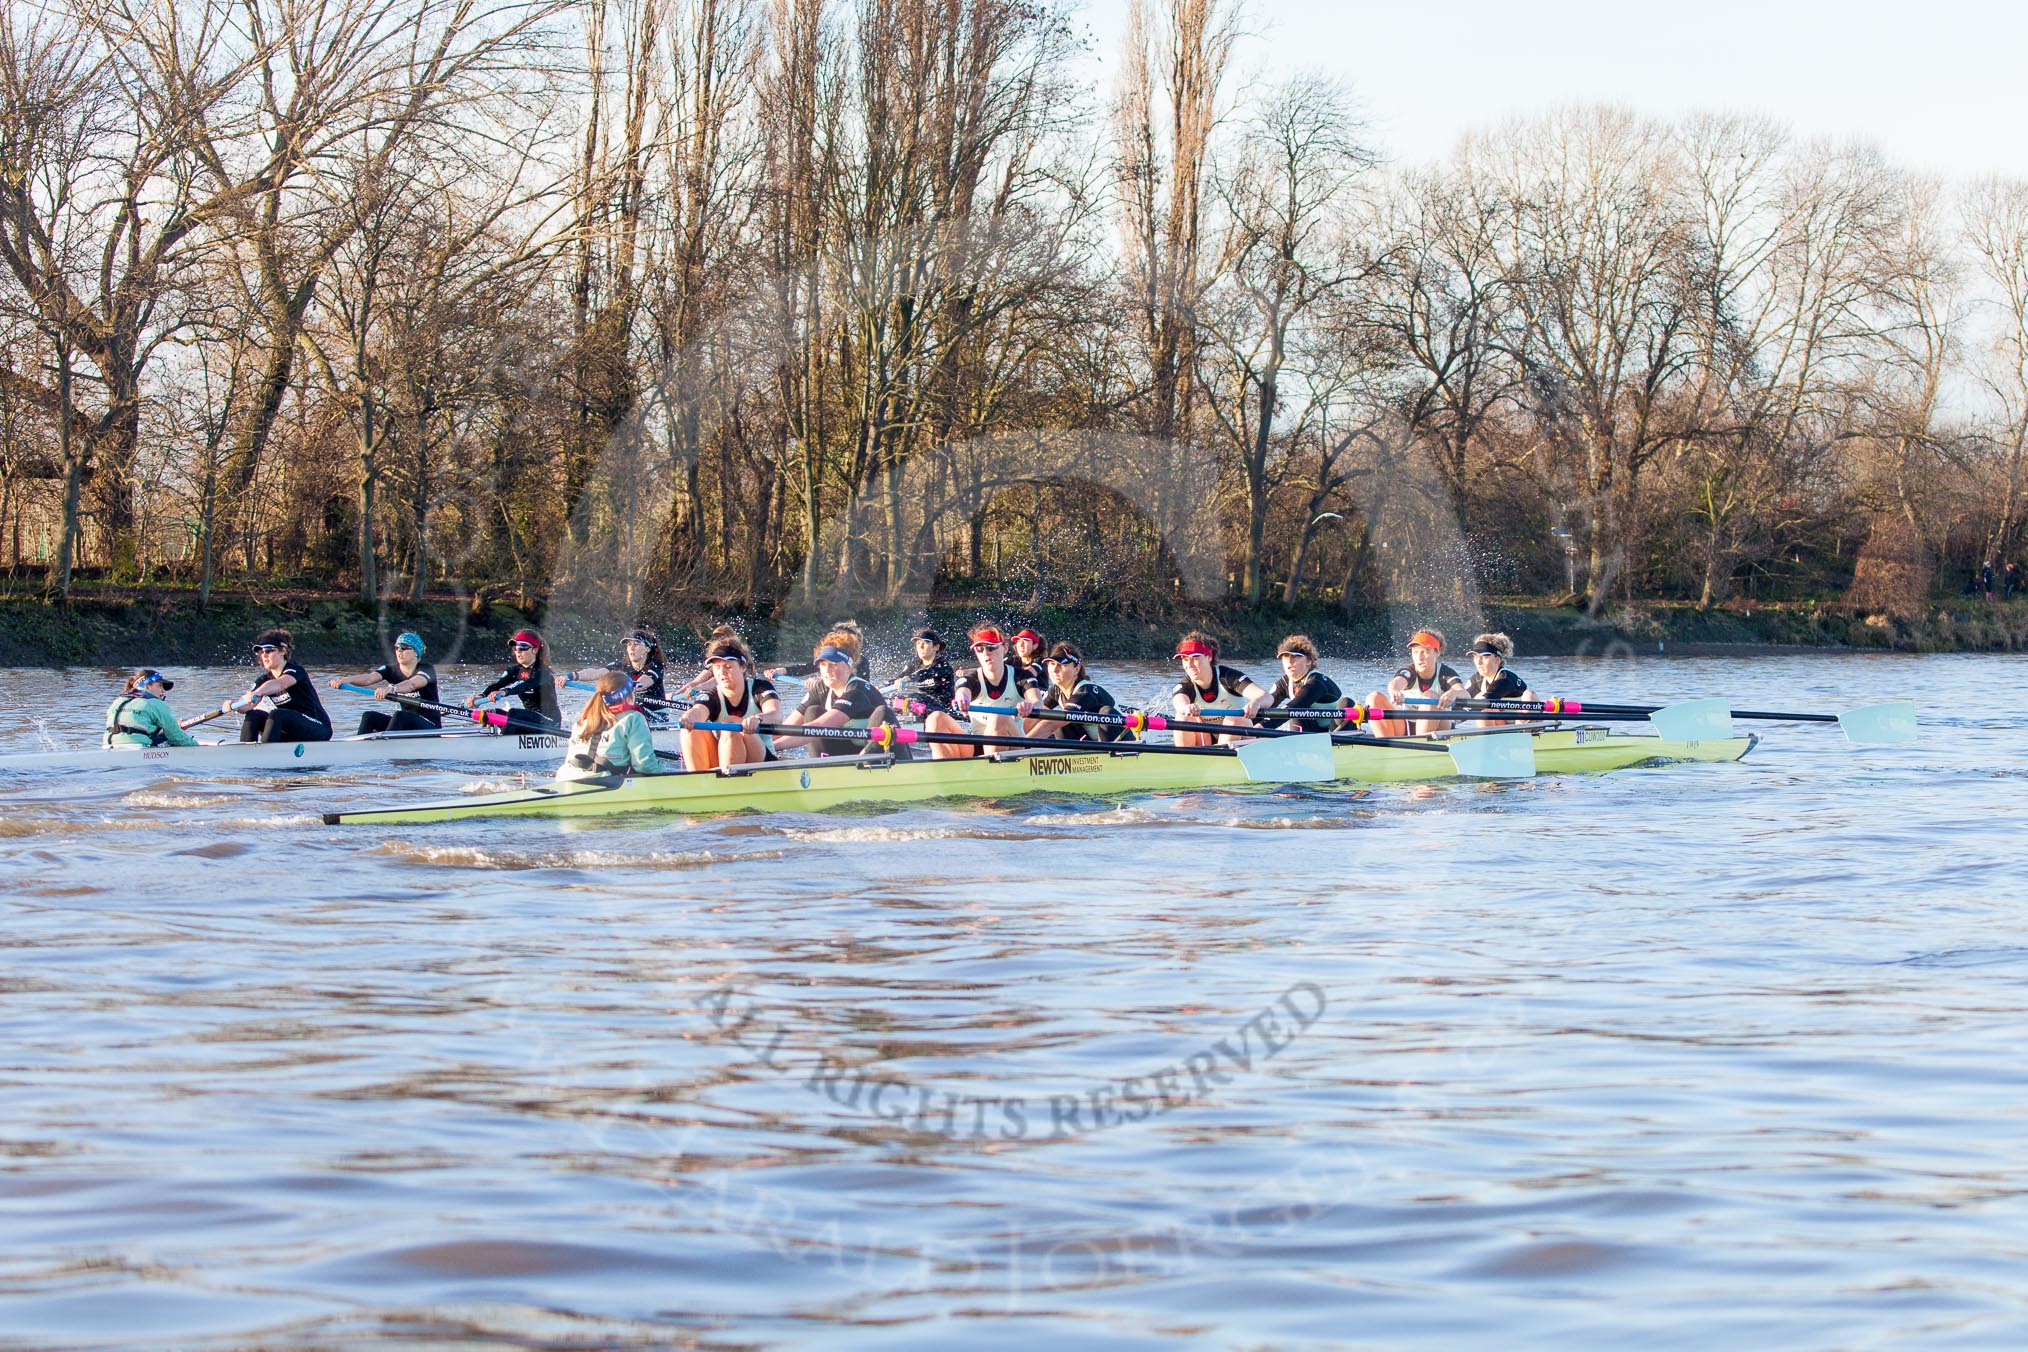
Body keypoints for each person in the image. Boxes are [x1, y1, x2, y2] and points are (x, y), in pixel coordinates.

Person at [927, 624, 1043, 760]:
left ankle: (991, 773)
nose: (985, 653)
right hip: (976, 744)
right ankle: (946, 775)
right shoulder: (970, 679)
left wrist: (1029, 705)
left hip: (1012, 744)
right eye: (979, 649)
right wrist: (962, 699)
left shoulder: (1021, 676)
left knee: (997, 718)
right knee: (935, 719)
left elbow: (1037, 701)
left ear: (1004, 648)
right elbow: (963, 691)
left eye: (991, 647)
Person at [775, 642, 893, 758]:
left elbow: (818, 727)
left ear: (849, 667)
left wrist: (773, 747)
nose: (827, 670)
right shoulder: (820, 688)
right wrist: (760, 741)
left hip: (885, 752)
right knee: (812, 712)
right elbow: (787, 726)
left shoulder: (857, 691)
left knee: (883, 712)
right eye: (823, 664)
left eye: (833, 664)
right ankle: (821, 766)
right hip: (852, 749)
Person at [679, 636, 780, 770]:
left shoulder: (760, 687)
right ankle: (698, 781)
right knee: (689, 730)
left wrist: (758, 718)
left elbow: (776, 714)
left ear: (743, 667)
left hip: (761, 758)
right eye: (717, 667)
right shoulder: (710, 695)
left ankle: (729, 781)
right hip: (725, 758)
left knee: (730, 725)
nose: (722, 672)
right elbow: (698, 711)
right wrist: (689, 717)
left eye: (728, 666)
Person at [558, 670, 669, 781]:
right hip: (604, 782)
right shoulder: (633, 718)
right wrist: (665, 772)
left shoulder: (582, 720)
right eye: (633, 692)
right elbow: (644, 764)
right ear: (628, 696)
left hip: (565, 778)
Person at [229, 629, 333, 744]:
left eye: (268, 650)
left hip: (318, 728)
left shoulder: (296, 670)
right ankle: (245, 753)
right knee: (254, 714)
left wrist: (257, 692)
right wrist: (233, 705)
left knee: (277, 714)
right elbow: (247, 706)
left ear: (282, 651)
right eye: (261, 651)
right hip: (291, 728)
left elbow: (280, 683)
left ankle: (268, 754)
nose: (264, 656)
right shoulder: (263, 680)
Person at [329, 632, 441, 735]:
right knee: (369, 716)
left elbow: (412, 684)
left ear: (416, 652)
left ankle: (388, 746)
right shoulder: (390, 670)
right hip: (406, 724)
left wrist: (392, 688)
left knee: (400, 716)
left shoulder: (427, 669)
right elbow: (368, 678)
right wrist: (345, 680)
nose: (399, 651)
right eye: (397, 648)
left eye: (403, 648)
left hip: (429, 724)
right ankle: (361, 749)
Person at [1170, 631, 1269, 747]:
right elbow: (1179, 701)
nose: (1189, 664)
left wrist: (1256, 703)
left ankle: (1220, 759)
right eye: (1185, 659)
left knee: (1234, 716)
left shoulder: (1228, 677)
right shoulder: (1186, 684)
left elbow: (1266, 696)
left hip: (1240, 736)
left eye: (1195, 658)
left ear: (1209, 657)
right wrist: (1185, 707)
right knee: (1182, 716)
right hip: (1206, 739)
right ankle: (1185, 759)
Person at [1365, 628, 1464, 738]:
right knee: (1373, 697)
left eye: (1425, 651)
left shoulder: (1446, 673)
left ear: (1437, 652)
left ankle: (1420, 745)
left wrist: (1453, 693)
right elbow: (1396, 683)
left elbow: (1463, 693)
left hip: (1439, 726)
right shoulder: (1409, 672)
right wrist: (1394, 691)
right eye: (1415, 652)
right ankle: (1384, 746)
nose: (1419, 658)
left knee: (1429, 697)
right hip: (1407, 725)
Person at [1037, 642, 1133, 743]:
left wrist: (1022, 745)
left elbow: (1050, 724)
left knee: (1059, 719)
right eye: (1052, 664)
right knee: (1057, 720)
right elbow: (1035, 717)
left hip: (1120, 740)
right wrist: (1021, 737)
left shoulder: (1085, 691)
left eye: (1061, 665)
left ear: (1076, 669)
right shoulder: (1055, 691)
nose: (1055, 670)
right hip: (1092, 741)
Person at [472, 630, 561, 730]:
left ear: (535, 650)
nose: (518, 651)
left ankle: (502, 741)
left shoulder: (542, 672)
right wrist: (480, 696)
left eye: (523, 647)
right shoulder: (514, 671)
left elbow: (525, 685)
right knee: (492, 714)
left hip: (550, 722)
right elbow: (497, 685)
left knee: (513, 713)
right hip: (531, 720)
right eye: (515, 647)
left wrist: (504, 692)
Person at [567, 626, 668, 713]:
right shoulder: (621, 666)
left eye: (636, 644)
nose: (631, 648)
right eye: (629, 645)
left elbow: (643, 682)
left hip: (655, 714)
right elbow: (596, 673)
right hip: (633, 712)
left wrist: (628, 688)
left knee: (626, 710)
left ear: (647, 649)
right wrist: (571, 676)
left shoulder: (656, 665)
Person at [1259, 635, 1347, 731]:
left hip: (1336, 730)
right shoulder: (1284, 683)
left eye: (1295, 656)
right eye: (1285, 656)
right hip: (1313, 729)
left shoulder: (1316, 682)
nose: (1289, 661)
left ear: (1309, 661)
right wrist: (1249, 724)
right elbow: (1266, 708)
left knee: (1296, 711)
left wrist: (1259, 728)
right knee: (1295, 712)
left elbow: (1292, 708)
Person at [1453, 632, 1539, 726]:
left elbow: (1488, 697)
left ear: (1497, 660)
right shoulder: (1477, 679)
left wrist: (1456, 719)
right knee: (1483, 704)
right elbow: (1462, 701)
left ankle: (1526, 733)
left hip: (1522, 724)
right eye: (1475, 656)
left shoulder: (1506, 678)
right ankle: (1486, 738)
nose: (1478, 662)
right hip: (1501, 723)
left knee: (1529, 695)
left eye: (1484, 657)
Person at [104, 669, 199, 749]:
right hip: (137, 747)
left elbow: (136, 726)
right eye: (159, 685)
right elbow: (176, 736)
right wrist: (196, 747)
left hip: (108, 746)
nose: (162, 691)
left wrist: (166, 729)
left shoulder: (118, 700)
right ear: (147, 685)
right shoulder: (155, 703)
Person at [889, 626, 957, 713]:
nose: (921, 646)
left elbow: (925, 673)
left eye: (926, 642)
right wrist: (878, 688)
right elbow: (896, 679)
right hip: (923, 707)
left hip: (943, 709)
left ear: (936, 647)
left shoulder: (943, 666)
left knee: (915, 697)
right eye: (918, 643)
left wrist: (908, 678)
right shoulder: (913, 666)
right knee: (893, 698)